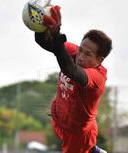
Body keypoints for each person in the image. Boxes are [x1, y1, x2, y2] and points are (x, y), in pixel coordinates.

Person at [34, 5, 112, 153]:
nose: (80, 57)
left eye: (87, 54)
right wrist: (40, 25)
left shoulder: (97, 78)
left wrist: (57, 37)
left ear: (99, 60)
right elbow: (44, 42)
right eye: (81, 50)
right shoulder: (75, 52)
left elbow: (70, 70)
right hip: (60, 120)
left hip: (79, 133)